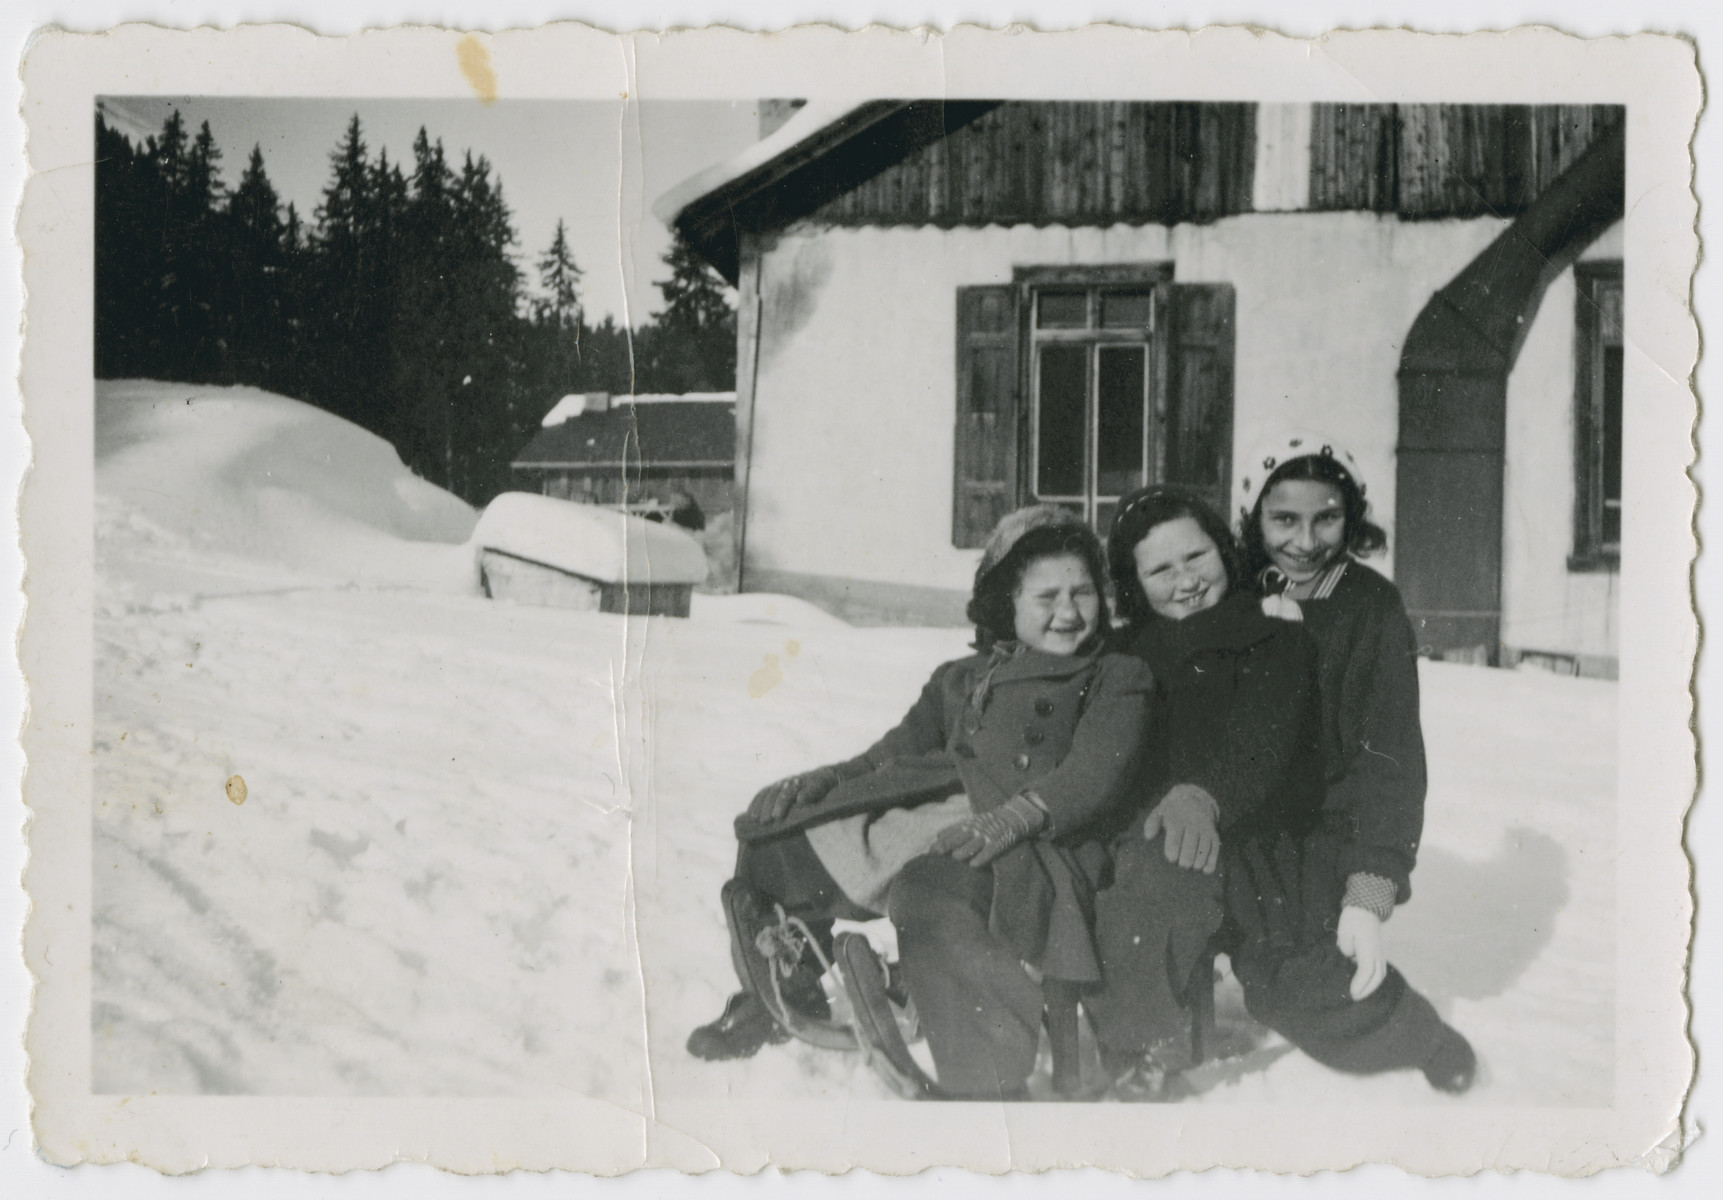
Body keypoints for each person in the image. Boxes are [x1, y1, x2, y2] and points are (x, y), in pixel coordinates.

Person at [687, 505, 1153, 1100]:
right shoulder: (962, 677)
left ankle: (988, 1079)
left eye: (1083, 592)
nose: (1068, 612)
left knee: (932, 890)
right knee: (776, 830)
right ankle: (779, 992)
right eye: (1047, 597)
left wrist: (1017, 815)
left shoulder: (1116, 674)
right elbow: (896, 751)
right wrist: (825, 781)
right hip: (943, 812)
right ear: (1005, 601)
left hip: (1041, 836)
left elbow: (1098, 771)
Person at [1231, 432, 1477, 1093]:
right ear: (1254, 517)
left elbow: (1389, 760)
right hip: (1233, 826)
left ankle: (1417, 1037)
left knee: (1297, 984)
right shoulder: (1228, 589)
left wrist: (1368, 891)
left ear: (1352, 515)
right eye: (1283, 519)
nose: (1304, 541)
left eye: (1325, 518)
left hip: (1319, 834)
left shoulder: (1369, 609)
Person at [1084, 486, 1324, 1100]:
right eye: (1161, 569)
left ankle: (1139, 1045)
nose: (1185, 581)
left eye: (1197, 558)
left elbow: (1262, 740)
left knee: (1162, 864)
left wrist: (1205, 795)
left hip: (1240, 837)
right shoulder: (1121, 651)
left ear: (1224, 550)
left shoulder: (1275, 637)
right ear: (1134, 582)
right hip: (1135, 823)